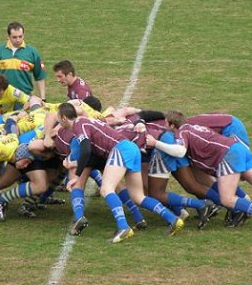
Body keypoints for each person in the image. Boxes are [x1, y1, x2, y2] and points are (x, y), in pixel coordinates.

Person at [153, 110, 252, 233]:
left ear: (171, 125)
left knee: (227, 198)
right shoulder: (195, 126)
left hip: (227, 155)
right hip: (236, 148)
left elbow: (180, 151)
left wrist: (155, 143)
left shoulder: (182, 132)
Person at [58, 103, 184, 243]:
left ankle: (123, 227)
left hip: (120, 149)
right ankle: (173, 219)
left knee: (106, 189)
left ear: (63, 118)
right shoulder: (86, 121)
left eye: (58, 118)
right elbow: (92, 153)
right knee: (138, 196)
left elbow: (86, 150)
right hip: (131, 148)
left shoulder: (78, 124)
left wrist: (75, 176)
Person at [0, 21, 46, 101]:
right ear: (8, 37)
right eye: (14, 37)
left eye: (20, 36)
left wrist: (43, 98)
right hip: (3, 98)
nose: (18, 40)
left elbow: (40, 76)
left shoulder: (32, 52)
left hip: (24, 98)